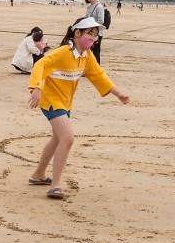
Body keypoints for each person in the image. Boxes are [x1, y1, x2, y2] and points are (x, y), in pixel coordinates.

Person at [26, 16, 130, 199]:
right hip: (51, 100)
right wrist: (36, 88)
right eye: (90, 33)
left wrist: (118, 93)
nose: (93, 38)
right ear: (77, 33)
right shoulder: (64, 51)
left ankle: (39, 175)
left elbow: (99, 75)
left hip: (65, 102)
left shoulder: (86, 56)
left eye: (96, 35)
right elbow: (41, 64)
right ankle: (56, 185)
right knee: (67, 137)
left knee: (57, 139)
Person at [82, 0, 106, 64]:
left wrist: (91, 24)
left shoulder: (99, 7)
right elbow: (86, 18)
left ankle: (97, 68)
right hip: (88, 33)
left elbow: (101, 21)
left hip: (97, 34)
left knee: (96, 51)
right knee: (87, 51)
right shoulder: (89, 7)